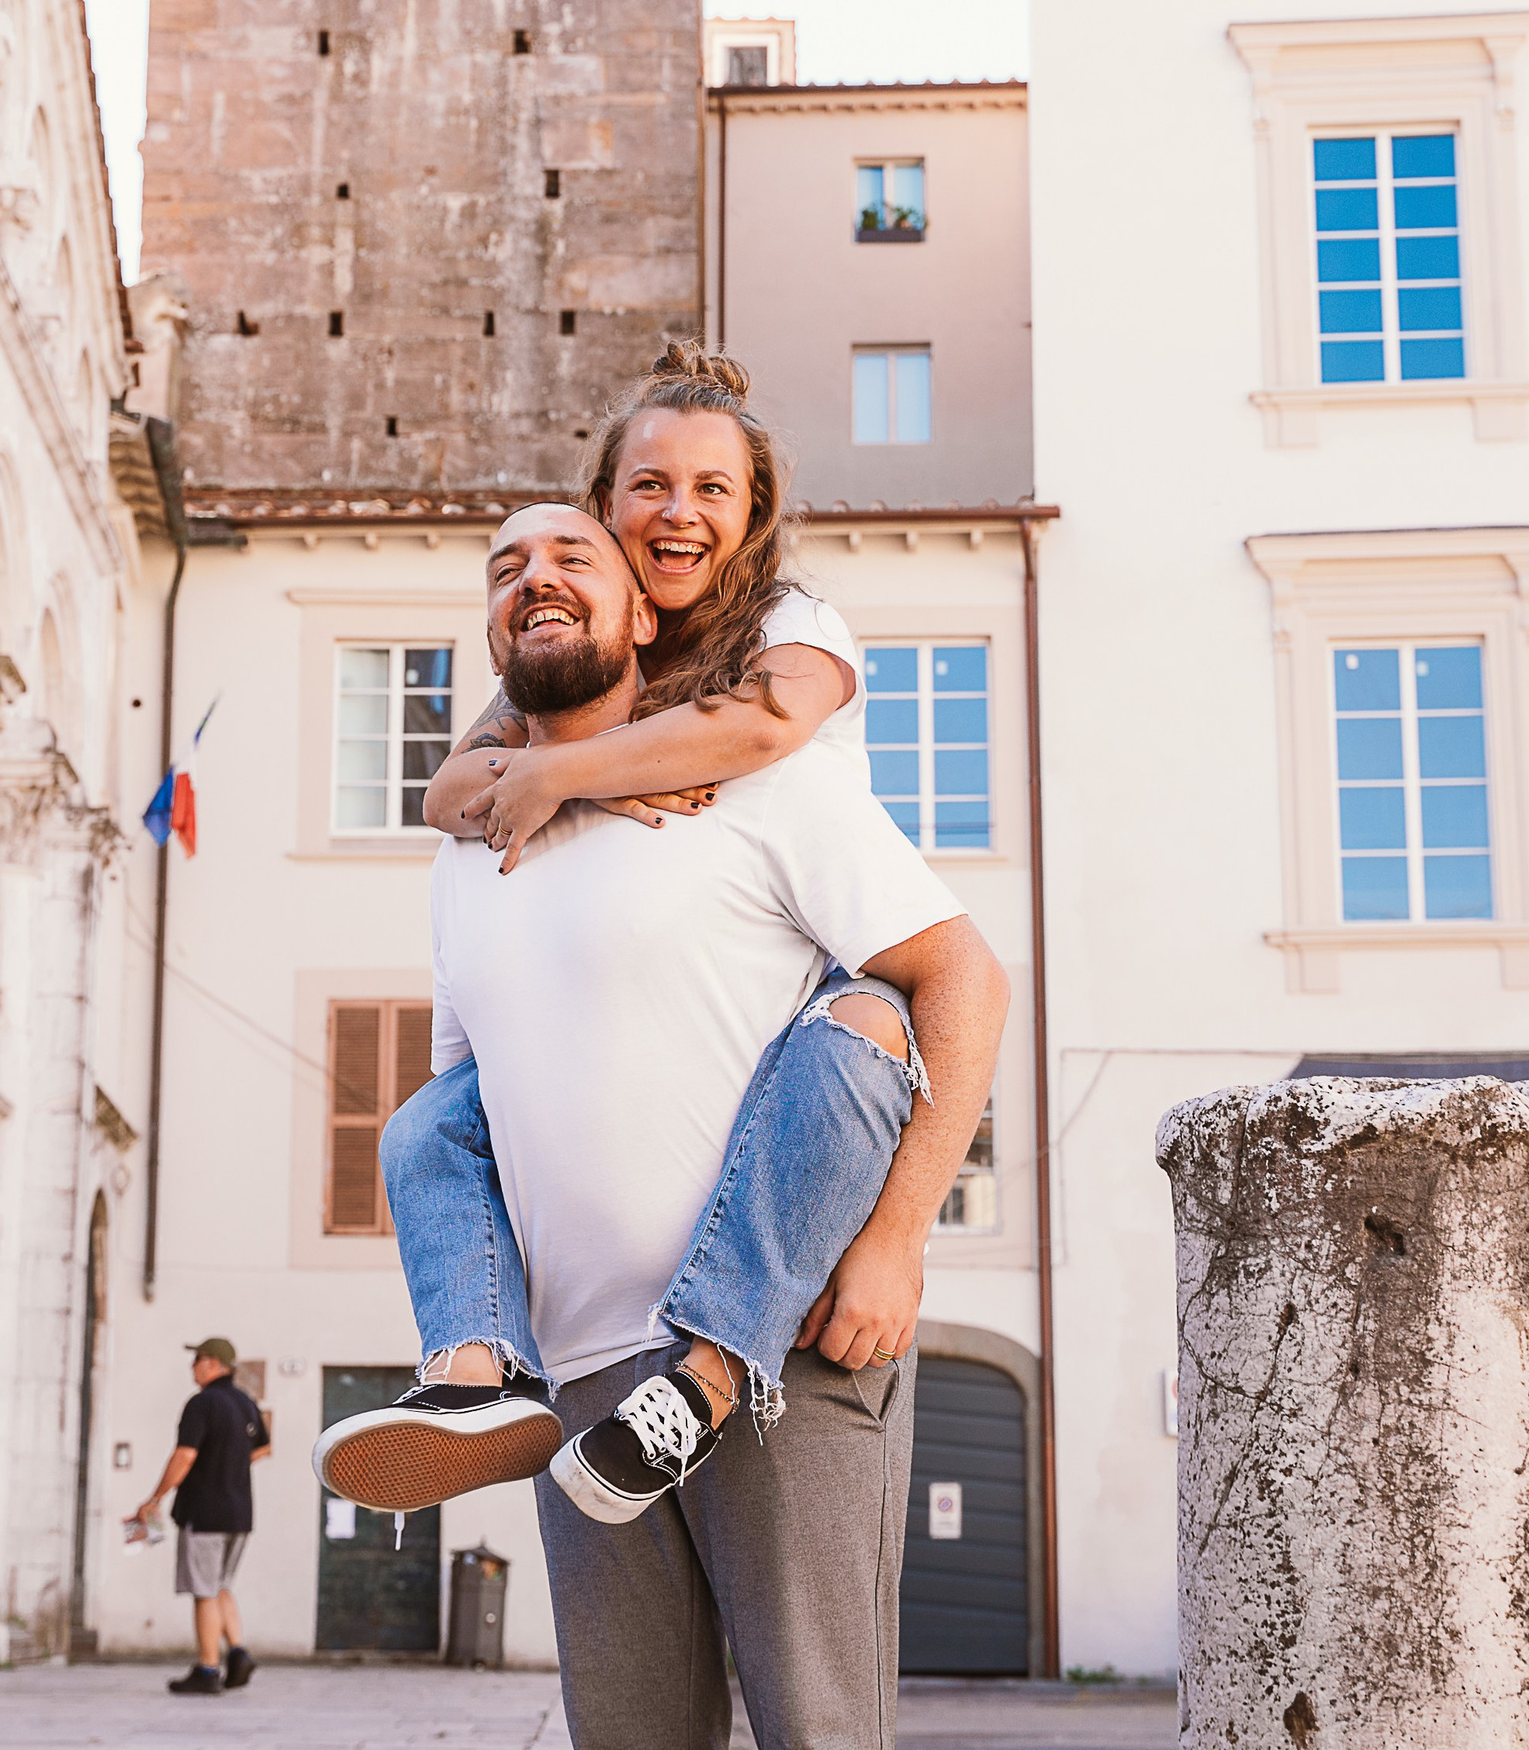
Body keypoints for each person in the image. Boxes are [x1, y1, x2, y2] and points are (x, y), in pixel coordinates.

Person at [379, 501, 1009, 1747]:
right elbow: (474, 1112)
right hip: (583, 1380)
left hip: (781, 1357)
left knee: (816, 1731)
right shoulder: (467, 848)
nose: (534, 577)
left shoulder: (763, 781)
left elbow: (963, 980)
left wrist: (896, 1241)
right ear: (492, 630)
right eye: (506, 567)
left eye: (572, 556)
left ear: (641, 612)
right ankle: (468, 1374)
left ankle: (708, 1362)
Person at [312, 347, 932, 1519]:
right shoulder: (584, 635)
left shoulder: (790, 620)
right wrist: (578, 774)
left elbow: (760, 727)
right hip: (598, 1297)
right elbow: (452, 789)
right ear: (606, 504)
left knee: (865, 1017)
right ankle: (475, 1369)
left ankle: (713, 1367)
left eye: (711, 488)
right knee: (426, 1123)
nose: (677, 509)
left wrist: (567, 772)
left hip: (815, 994)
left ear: (753, 516)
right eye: (649, 484)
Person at [128, 1337, 271, 1696]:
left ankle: (208, 1670)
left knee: (204, 1592)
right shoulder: (246, 1402)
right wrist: (230, 1465)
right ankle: (237, 1652)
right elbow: (264, 1447)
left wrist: (155, 1499)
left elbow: (185, 1455)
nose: (192, 1366)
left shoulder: (202, 1403)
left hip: (205, 1512)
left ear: (214, 1364)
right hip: (240, 1513)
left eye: (197, 1359)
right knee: (220, 1585)